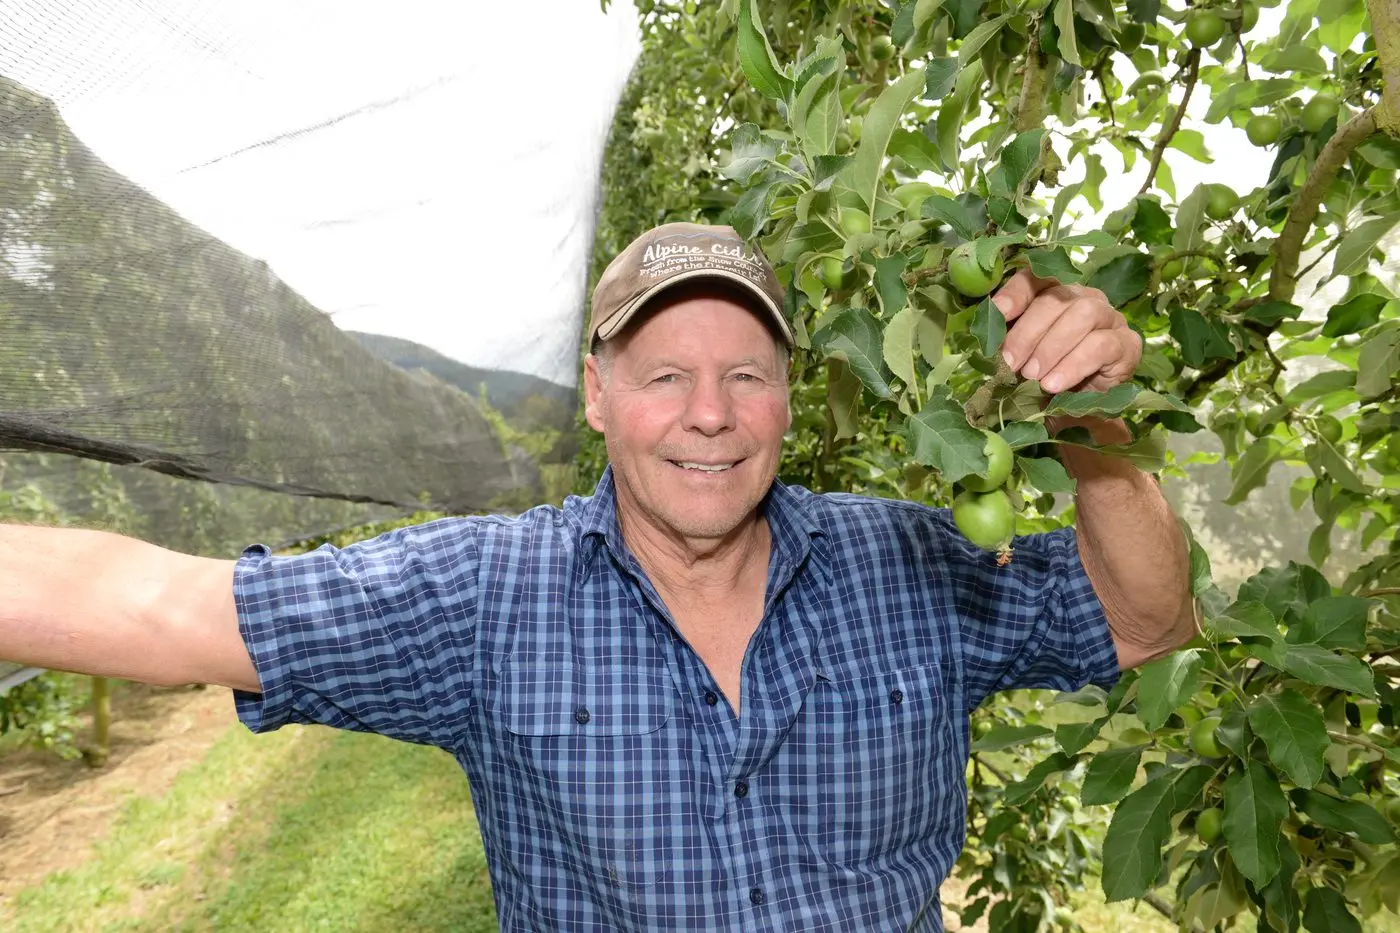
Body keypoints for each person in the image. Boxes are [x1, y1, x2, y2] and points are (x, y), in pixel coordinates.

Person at [0, 221, 1194, 931]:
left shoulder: (906, 561)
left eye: (746, 373)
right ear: (595, 392)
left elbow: (1145, 622)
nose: (710, 417)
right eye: (663, 373)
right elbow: (157, 602)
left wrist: (1092, 428)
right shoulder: (484, 599)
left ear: (788, 396)